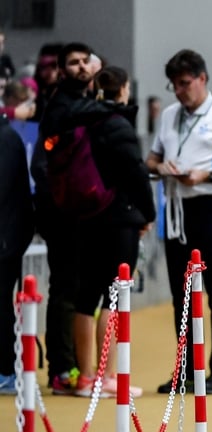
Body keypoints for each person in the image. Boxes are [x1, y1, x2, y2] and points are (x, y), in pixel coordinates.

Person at [146, 49, 212, 395]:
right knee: (181, 296)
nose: (179, 91)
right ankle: (187, 372)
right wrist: (161, 168)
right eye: (174, 85)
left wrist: (205, 175)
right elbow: (151, 160)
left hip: (211, 206)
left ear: (202, 78)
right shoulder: (169, 116)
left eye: (184, 83)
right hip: (177, 210)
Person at [65, 66, 155, 397]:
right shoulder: (118, 125)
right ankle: (106, 376)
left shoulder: (81, 120)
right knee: (114, 295)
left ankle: (84, 376)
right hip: (119, 218)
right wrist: (148, 214)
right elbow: (136, 173)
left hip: (86, 216)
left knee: (85, 297)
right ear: (124, 90)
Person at [30, 42, 97, 394]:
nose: (82, 67)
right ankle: (62, 369)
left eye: (86, 61)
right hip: (63, 215)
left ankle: (80, 367)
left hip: (87, 214)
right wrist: (62, 201)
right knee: (66, 289)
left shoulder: (88, 103)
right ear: (61, 70)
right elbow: (42, 164)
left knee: (81, 289)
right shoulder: (60, 107)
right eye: (74, 62)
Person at [0, 111, 35, 395]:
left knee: (1, 305)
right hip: (8, 237)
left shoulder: (6, 139)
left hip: (5, 242)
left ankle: (6, 371)